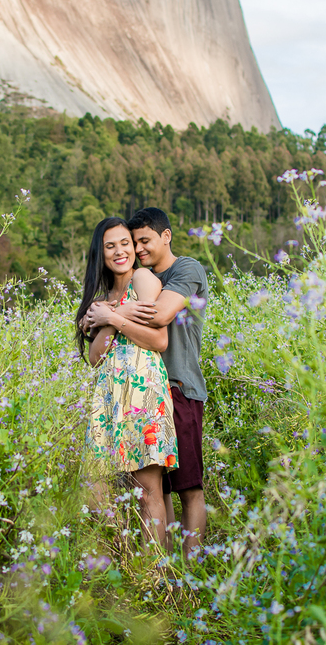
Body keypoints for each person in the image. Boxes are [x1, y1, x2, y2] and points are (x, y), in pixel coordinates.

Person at [86, 207, 208, 558]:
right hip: (138, 394)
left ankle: (192, 571)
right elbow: (96, 354)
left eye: (141, 241)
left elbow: (160, 318)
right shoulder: (132, 281)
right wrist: (107, 312)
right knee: (159, 489)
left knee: (188, 487)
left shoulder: (183, 270)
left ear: (165, 236)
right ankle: (166, 568)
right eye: (128, 243)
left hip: (178, 385)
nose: (136, 250)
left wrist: (110, 313)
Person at [76, 217, 178, 547]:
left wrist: (110, 316)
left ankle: (155, 579)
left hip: (143, 392)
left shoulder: (143, 278)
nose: (120, 251)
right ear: (100, 253)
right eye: (110, 246)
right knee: (97, 493)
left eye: (125, 243)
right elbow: (94, 357)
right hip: (108, 397)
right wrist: (110, 318)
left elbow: (158, 340)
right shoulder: (104, 294)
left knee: (148, 493)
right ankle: (120, 573)